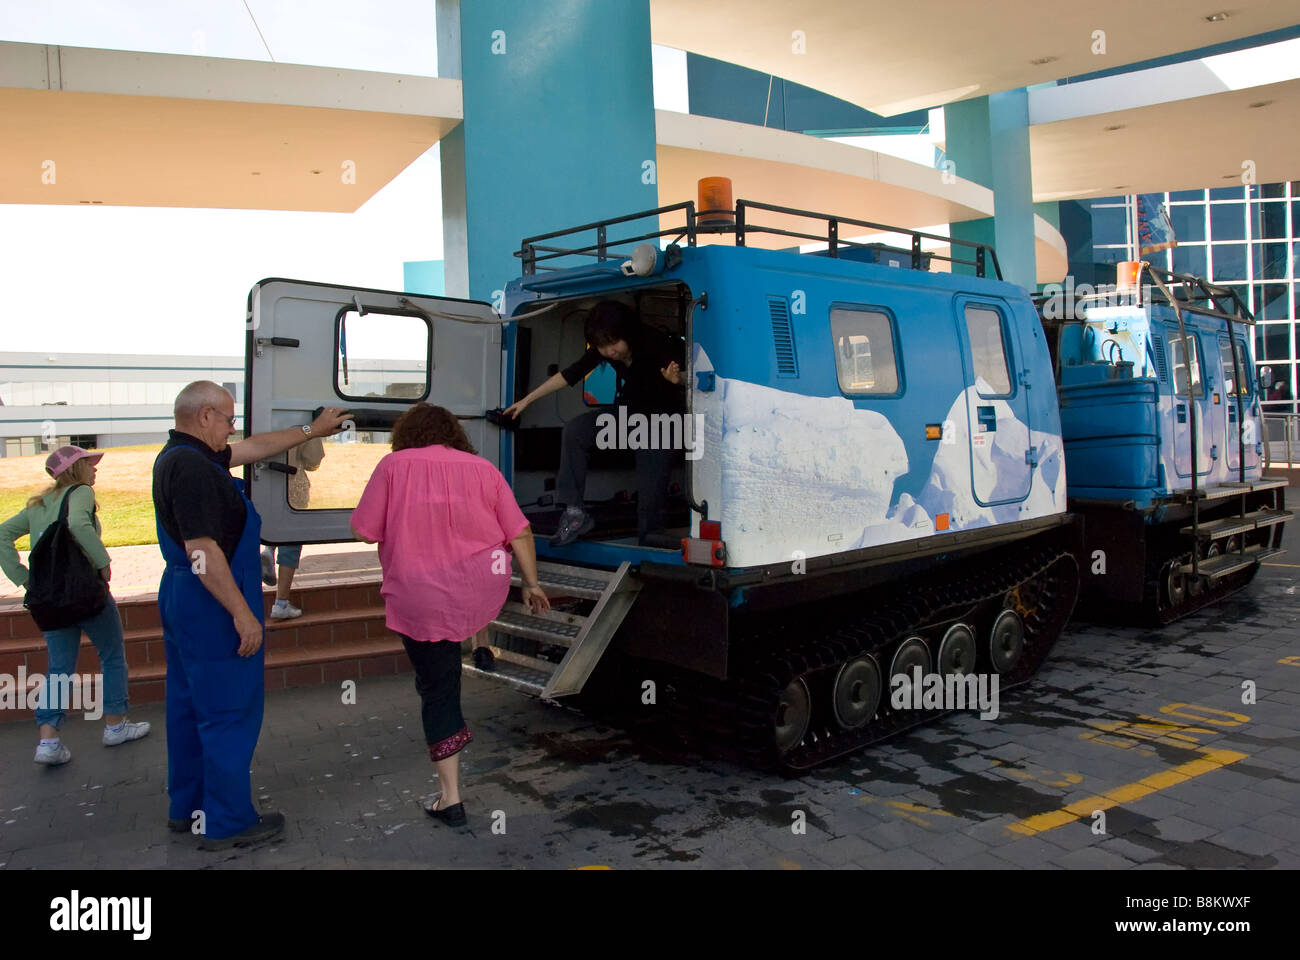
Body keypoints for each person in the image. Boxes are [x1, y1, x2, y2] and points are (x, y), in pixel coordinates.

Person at [152, 381, 348, 849]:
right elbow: (202, 551)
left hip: (182, 596)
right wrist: (242, 614)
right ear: (204, 416)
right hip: (212, 601)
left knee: (187, 707)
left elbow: (256, 448)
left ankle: (189, 807)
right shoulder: (194, 468)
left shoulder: (181, 455)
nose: (232, 427)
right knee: (226, 712)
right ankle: (227, 822)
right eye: (228, 418)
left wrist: (310, 429)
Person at [350, 402, 549, 827]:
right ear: (453, 434)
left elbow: (363, 531)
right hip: (477, 586)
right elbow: (520, 530)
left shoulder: (392, 467)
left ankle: (450, 799)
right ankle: (466, 669)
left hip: (419, 594)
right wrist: (531, 585)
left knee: (438, 686)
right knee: (445, 672)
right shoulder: (483, 469)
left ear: (407, 434)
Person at [0, 446, 150, 765]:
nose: (95, 470)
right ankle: (115, 725)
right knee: (111, 656)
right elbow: (79, 526)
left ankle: (49, 741)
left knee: (59, 668)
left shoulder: (38, 503)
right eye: (89, 464)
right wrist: (103, 564)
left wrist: (24, 579)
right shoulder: (80, 492)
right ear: (75, 470)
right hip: (85, 593)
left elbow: (2, 534)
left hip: (48, 600)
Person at [503, 300, 686, 546]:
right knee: (576, 430)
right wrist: (526, 400)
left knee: (651, 459)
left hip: (662, 422)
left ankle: (649, 538)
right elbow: (570, 374)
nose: (609, 351)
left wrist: (678, 379)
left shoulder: (654, 342)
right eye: (602, 347)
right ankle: (575, 513)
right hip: (628, 416)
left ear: (627, 332)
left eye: (613, 344)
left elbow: (692, 376)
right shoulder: (604, 350)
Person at [260, 435, 326, 619]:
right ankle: (281, 603)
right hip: (293, 487)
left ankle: (268, 549)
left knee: (269, 528)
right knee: (291, 540)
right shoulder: (305, 422)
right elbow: (314, 459)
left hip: (262, 485)